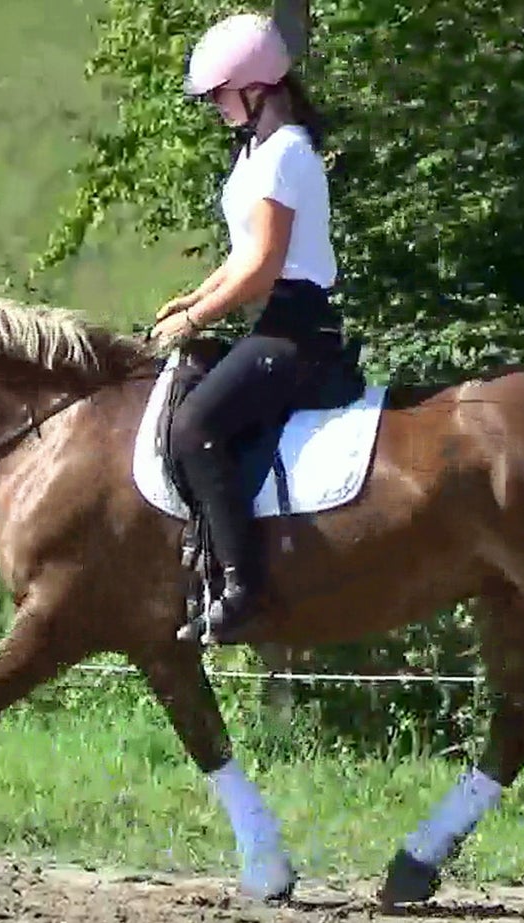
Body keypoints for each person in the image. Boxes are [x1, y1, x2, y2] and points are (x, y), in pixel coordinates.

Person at [150, 11, 345, 644]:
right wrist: (189, 299)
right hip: (274, 317)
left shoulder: (285, 153)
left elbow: (262, 268)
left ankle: (242, 588)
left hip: (297, 328)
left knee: (194, 426)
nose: (214, 106)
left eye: (219, 95)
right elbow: (239, 258)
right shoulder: (257, 151)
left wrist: (196, 318)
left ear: (255, 88)